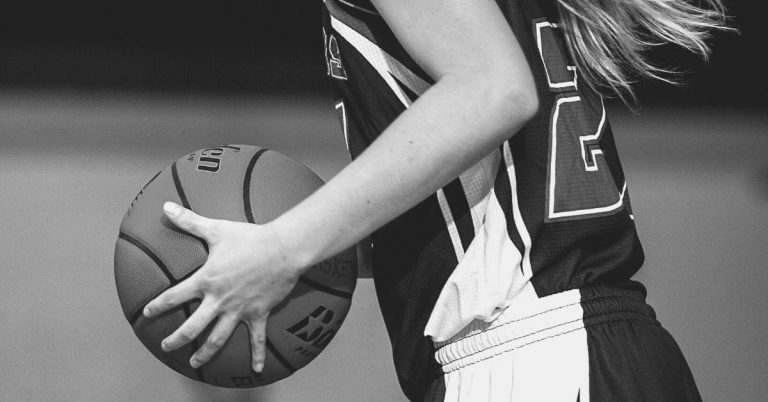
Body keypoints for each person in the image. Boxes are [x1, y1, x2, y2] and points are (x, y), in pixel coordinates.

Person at [143, 0, 729, 400]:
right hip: (588, 348)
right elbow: (480, 200)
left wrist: (284, 247)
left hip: (534, 357)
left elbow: (494, 89)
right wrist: (284, 246)